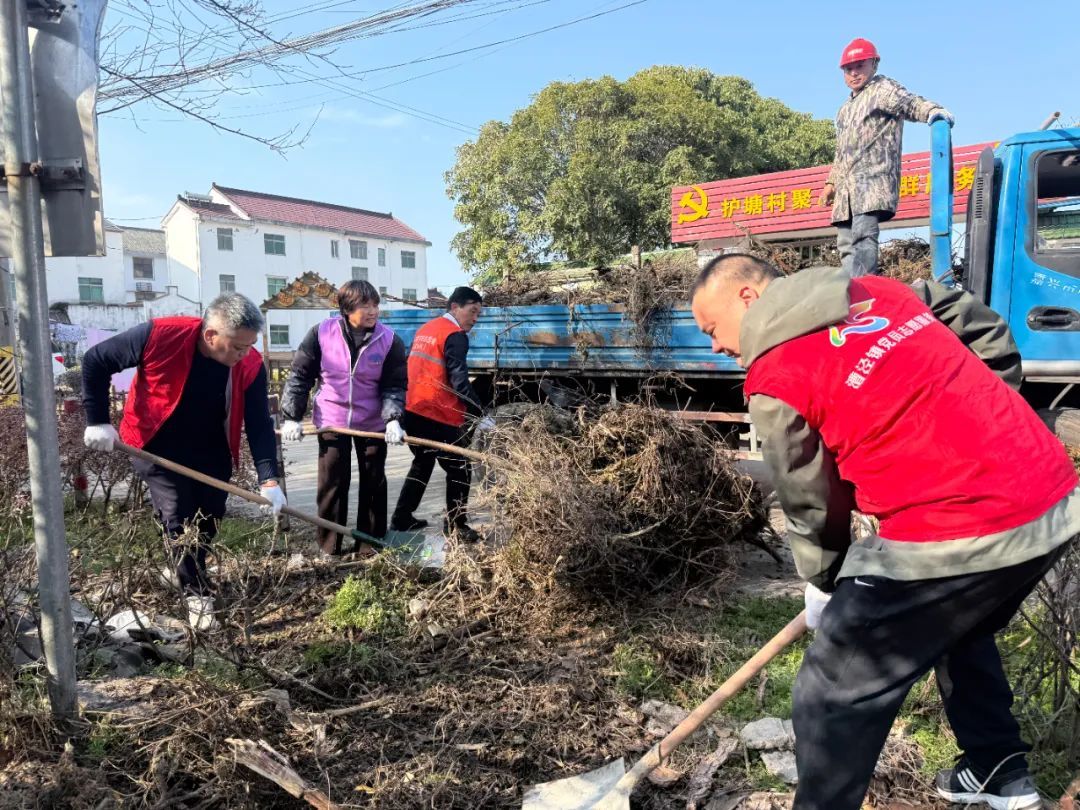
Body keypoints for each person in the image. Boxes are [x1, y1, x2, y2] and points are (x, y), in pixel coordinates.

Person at [690, 253, 1079, 810]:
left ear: (747, 297)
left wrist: (825, 578)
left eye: (712, 329)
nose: (714, 347)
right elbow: (982, 325)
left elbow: (811, 499)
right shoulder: (879, 291)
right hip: (1053, 500)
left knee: (831, 691)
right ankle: (996, 767)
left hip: (957, 528)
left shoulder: (776, 378)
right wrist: (992, 420)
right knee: (958, 624)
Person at [82, 293, 286, 630]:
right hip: (154, 442)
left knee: (210, 514)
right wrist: (97, 420)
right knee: (178, 511)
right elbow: (96, 359)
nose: (244, 354)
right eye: (238, 346)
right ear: (211, 335)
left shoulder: (249, 364)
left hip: (211, 445)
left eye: (250, 346)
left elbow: (259, 423)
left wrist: (269, 479)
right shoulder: (161, 335)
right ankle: (196, 594)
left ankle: (184, 568)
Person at [278, 280, 407, 555]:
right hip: (332, 418)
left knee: (373, 482)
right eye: (365, 306)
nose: (373, 311)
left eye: (375, 305)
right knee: (332, 483)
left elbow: (394, 385)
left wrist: (393, 419)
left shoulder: (389, 340)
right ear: (347, 309)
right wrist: (291, 416)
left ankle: (370, 546)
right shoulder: (321, 333)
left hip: (372, 422)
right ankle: (329, 547)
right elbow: (300, 375)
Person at [821, 38, 954, 277]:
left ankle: (864, 287)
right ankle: (850, 289)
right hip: (846, 190)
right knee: (845, 243)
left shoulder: (882, 89)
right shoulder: (844, 109)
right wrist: (831, 183)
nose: (854, 73)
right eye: (848, 69)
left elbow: (908, 103)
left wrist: (932, 111)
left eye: (859, 66)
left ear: (874, 64)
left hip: (871, 182)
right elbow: (841, 151)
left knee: (863, 236)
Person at [391, 286, 491, 543]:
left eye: (478, 314)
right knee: (459, 467)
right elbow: (459, 382)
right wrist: (481, 413)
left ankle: (401, 517)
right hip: (436, 413)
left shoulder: (427, 329)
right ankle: (457, 525)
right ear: (455, 307)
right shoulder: (455, 335)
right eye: (472, 311)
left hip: (414, 410)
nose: (475, 319)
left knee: (423, 463)